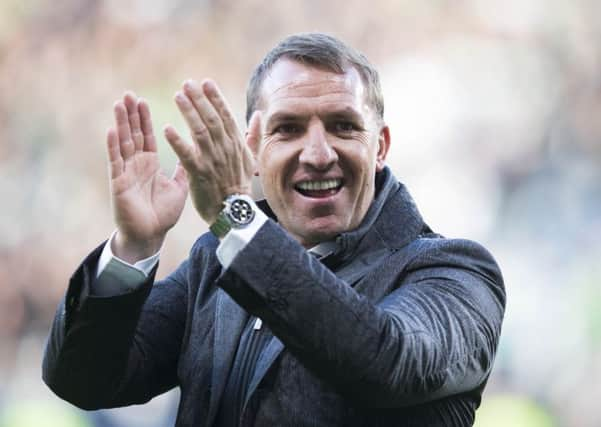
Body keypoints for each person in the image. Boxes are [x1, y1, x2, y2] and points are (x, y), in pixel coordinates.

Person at [42, 32, 506, 426]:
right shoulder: (214, 259)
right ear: (253, 151)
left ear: (380, 145)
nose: (319, 153)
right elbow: (83, 380)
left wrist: (236, 219)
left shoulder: (455, 273)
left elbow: (387, 363)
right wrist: (133, 248)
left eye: (344, 126)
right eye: (288, 129)